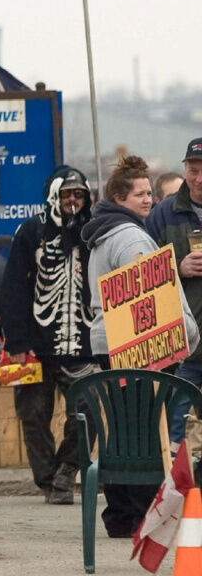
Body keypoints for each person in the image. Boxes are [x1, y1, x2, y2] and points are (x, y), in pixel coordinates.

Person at [83, 155, 199, 537]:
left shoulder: (103, 233)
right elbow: (151, 298)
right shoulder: (132, 237)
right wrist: (187, 332)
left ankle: (120, 515)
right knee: (144, 434)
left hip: (107, 343)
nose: (149, 201)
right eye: (140, 194)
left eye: (151, 193)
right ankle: (141, 516)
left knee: (119, 432)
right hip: (135, 348)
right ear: (119, 197)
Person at [0, 165, 95, 506]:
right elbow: (12, 290)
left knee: (88, 411)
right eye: (67, 194)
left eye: (78, 194)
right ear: (53, 196)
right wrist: (18, 343)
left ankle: (66, 471)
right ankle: (48, 479)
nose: (72, 200)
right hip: (37, 346)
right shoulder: (30, 232)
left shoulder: (94, 233)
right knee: (33, 415)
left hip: (83, 348)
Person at [146, 138, 202, 436]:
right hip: (183, 346)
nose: (199, 178)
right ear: (185, 169)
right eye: (193, 170)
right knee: (176, 427)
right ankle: (178, 484)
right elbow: (142, 273)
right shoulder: (163, 214)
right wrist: (178, 268)